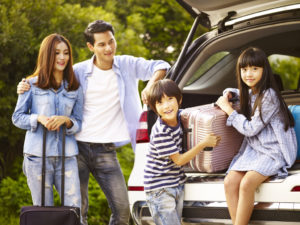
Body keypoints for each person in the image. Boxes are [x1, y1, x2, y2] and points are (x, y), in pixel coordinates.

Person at [17, 20, 170, 225]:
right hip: (76, 149)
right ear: (91, 47)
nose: (108, 48)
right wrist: (24, 85)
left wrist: (151, 86)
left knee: (123, 210)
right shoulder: (77, 72)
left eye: (111, 41)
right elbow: (49, 82)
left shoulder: (127, 65)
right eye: (101, 44)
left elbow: (162, 65)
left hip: (106, 151)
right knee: (78, 212)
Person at [216, 47, 297, 225]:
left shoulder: (269, 96)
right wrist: (227, 94)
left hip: (273, 150)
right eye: (244, 70)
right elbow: (235, 91)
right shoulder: (250, 92)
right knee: (230, 182)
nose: (249, 74)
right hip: (254, 150)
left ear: (264, 70)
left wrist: (228, 110)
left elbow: (251, 129)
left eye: (254, 69)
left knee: (246, 184)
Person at [12, 34, 83, 210]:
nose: (62, 57)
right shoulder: (30, 84)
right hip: (37, 157)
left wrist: (66, 121)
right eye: (57, 52)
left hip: (67, 157)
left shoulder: (74, 87)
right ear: (47, 55)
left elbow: (79, 122)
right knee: (44, 212)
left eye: (66, 53)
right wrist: (38, 118)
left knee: (75, 210)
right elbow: (17, 117)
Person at [144, 79, 221, 225]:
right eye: (160, 103)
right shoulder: (161, 131)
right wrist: (203, 143)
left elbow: (201, 112)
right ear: (154, 107)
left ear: (179, 100)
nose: (166, 106)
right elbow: (179, 160)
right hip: (159, 188)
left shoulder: (181, 116)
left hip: (176, 182)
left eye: (170, 99)